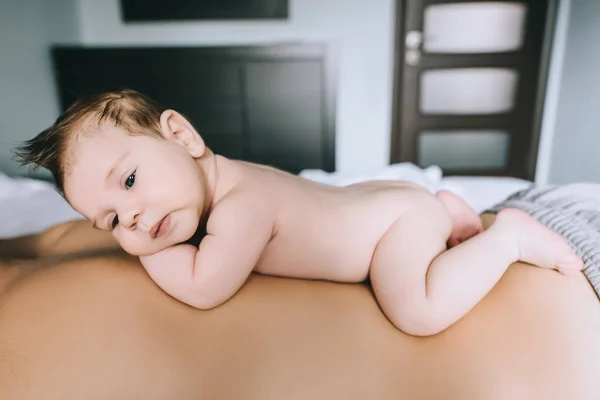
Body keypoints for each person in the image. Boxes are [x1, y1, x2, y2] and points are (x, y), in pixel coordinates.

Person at [13, 89, 583, 336]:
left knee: (418, 310)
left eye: (130, 182)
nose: (132, 218)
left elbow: (204, 286)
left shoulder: (242, 209)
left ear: (182, 136)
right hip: (387, 201)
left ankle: (504, 236)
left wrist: (152, 252)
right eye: (110, 221)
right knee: (360, 202)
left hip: (389, 230)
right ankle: (448, 216)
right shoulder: (223, 180)